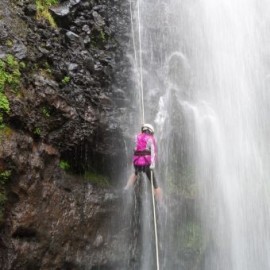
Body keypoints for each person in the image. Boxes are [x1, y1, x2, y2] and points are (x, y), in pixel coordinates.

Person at [124, 123, 163, 200]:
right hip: (146, 164)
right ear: (151, 131)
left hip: (137, 163)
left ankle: (126, 188)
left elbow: (134, 148)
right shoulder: (151, 139)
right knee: (155, 183)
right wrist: (153, 164)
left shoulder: (136, 137)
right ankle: (160, 201)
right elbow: (153, 153)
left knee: (135, 173)